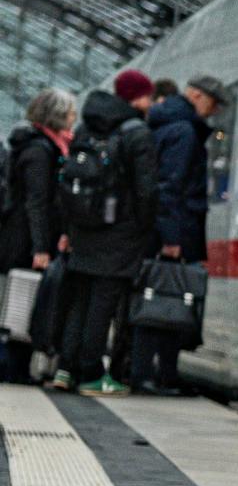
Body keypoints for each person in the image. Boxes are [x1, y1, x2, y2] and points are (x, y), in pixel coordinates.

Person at [55, 69, 159, 396]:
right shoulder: (136, 132)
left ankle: (65, 370)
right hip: (120, 231)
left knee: (80, 301)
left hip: (84, 228)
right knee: (103, 303)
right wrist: (143, 226)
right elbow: (147, 190)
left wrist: (71, 228)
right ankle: (91, 376)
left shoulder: (87, 127)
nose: (151, 102)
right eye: (148, 96)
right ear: (136, 97)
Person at [132, 74, 226, 395]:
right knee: (169, 303)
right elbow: (170, 188)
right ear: (196, 95)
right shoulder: (184, 132)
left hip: (161, 229)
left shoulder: (165, 123)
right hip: (174, 231)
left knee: (157, 300)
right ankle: (155, 375)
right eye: (212, 102)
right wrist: (172, 238)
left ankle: (154, 373)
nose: (213, 111)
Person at [1, 88, 75, 383]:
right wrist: (41, 247)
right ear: (55, 116)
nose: (73, 118)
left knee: (22, 302)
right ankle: (13, 368)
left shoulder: (37, 146)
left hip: (23, 239)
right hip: (25, 242)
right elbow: (36, 201)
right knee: (24, 304)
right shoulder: (39, 150)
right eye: (69, 113)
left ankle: (16, 366)